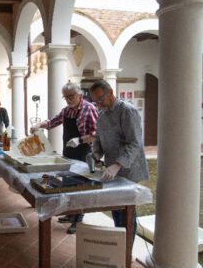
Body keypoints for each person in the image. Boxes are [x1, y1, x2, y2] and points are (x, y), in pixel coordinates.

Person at [31, 82, 98, 234]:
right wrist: (38, 125)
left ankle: (78, 219)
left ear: (79, 94)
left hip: (83, 152)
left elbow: (97, 135)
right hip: (68, 151)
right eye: (66, 97)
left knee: (80, 187)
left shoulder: (89, 109)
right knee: (68, 183)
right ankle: (70, 214)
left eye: (71, 96)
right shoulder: (66, 111)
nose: (68, 100)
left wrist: (80, 140)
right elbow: (52, 122)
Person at [89, 80, 149, 241]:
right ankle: (120, 242)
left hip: (128, 169)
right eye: (95, 102)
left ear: (110, 93)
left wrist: (117, 165)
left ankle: (127, 248)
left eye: (100, 100)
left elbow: (134, 143)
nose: (98, 105)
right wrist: (96, 152)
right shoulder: (102, 114)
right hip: (111, 168)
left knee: (127, 210)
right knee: (115, 207)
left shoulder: (127, 111)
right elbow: (99, 138)